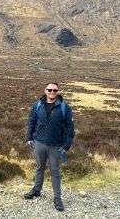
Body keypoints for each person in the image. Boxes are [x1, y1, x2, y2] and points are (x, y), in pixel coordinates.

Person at [24, 82, 75, 211]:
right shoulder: (38, 105)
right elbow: (31, 121)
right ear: (45, 90)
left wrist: (66, 145)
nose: (52, 92)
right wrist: (29, 137)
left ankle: (57, 199)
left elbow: (70, 128)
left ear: (58, 92)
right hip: (39, 143)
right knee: (39, 167)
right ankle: (36, 190)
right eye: (49, 89)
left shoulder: (64, 108)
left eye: (54, 90)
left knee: (55, 172)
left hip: (56, 145)